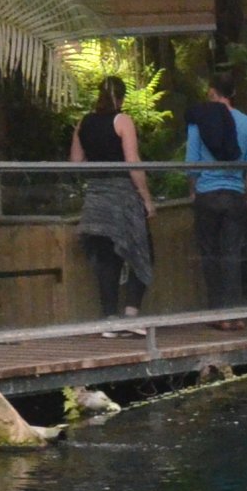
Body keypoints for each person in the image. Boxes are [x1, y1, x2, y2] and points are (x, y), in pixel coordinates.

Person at [69, 78, 153, 320]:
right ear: (122, 97)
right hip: (122, 197)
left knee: (106, 259)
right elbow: (132, 163)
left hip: (96, 199)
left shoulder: (83, 123)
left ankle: (110, 319)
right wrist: (146, 198)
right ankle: (131, 314)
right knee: (142, 251)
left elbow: (76, 162)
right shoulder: (123, 121)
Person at [185, 87, 247, 307]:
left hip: (206, 193)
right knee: (232, 253)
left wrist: (193, 190)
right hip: (235, 193)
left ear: (213, 93)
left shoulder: (199, 122)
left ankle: (218, 310)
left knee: (209, 253)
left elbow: (191, 161)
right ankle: (234, 311)